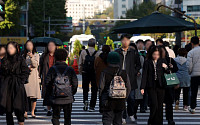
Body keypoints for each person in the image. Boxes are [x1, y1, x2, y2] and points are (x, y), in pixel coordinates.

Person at [45, 49, 78, 125]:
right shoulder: (70, 69)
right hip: (68, 98)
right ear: (66, 58)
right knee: (67, 118)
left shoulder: (52, 69)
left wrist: (51, 93)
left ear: (55, 58)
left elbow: (47, 83)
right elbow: (75, 83)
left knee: (55, 117)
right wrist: (71, 92)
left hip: (56, 98)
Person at [0, 41, 29, 125]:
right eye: (8, 48)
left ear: (16, 49)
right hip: (7, 85)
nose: (9, 50)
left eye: (11, 48)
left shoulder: (20, 59)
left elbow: (25, 71)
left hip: (17, 84)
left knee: (19, 107)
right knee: (8, 108)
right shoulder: (4, 59)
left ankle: (21, 122)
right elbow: (1, 73)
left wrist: (20, 81)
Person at [99, 52, 131, 125]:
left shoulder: (105, 72)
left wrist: (102, 98)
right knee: (118, 121)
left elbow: (101, 87)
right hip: (120, 101)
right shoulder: (124, 72)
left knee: (107, 120)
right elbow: (128, 87)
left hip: (108, 101)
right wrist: (124, 97)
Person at [115, 34, 141, 123]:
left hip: (130, 78)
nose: (125, 41)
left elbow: (138, 64)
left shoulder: (133, 52)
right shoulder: (117, 52)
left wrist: (135, 71)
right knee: (121, 99)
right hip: (119, 78)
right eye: (123, 40)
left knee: (131, 98)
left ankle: (131, 114)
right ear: (121, 41)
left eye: (127, 40)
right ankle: (123, 116)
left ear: (129, 41)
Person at [141, 46, 167, 125]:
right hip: (151, 86)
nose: (156, 56)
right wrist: (142, 87)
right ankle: (151, 120)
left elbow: (169, 72)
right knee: (154, 104)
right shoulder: (147, 62)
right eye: (154, 54)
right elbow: (144, 75)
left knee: (160, 106)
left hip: (161, 85)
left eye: (157, 54)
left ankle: (159, 122)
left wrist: (166, 67)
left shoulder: (162, 61)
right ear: (151, 54)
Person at [79, 38, 100, 112]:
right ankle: (92, 106)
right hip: (94, 73)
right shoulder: (97, 53)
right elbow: (98, 65)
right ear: (94, 45)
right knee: (94, 89)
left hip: (85, 72)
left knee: (85, 88)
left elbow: (80, 64)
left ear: (88, 44)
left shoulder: (83, 52)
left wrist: (81, 72)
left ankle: (85, 101)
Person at [160, 45, 178, 125]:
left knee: (169, 103)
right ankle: (158, 119)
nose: (161, 53)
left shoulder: (169, 59)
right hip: (159, 83)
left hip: (169, 83)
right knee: (159, 103)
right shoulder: (155, 60)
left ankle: (170, 118)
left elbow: (176, 69)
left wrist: (171, 67)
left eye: (163, 51)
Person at [23, 40, 41, 118]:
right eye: (28, 45)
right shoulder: (23, 56)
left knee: (34, 97)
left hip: (33, 77)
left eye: (30, 45)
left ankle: (33, 112)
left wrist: (31, 57)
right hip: (26, 77)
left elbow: (36, 65)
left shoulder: (36, 55)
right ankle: (25, 112)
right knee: (25, 96)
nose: (29, 46)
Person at [39, 41, 57, 116]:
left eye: (52, 45)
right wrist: (39, 76)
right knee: (47, 93)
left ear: (55, 47)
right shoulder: (44, 56)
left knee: (55, 93)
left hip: (56, 77)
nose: (51, 47)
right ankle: (49, 109)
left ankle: (55, 108)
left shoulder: (57, 55)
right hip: (46, 76)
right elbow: (40, 66)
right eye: (49, 45)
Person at [186, 36, 200, 114]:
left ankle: (193, 107)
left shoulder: (191, 52)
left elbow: (189, 65)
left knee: (194, 92)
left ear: (191, 43)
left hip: (194, 74)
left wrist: (190, 72)